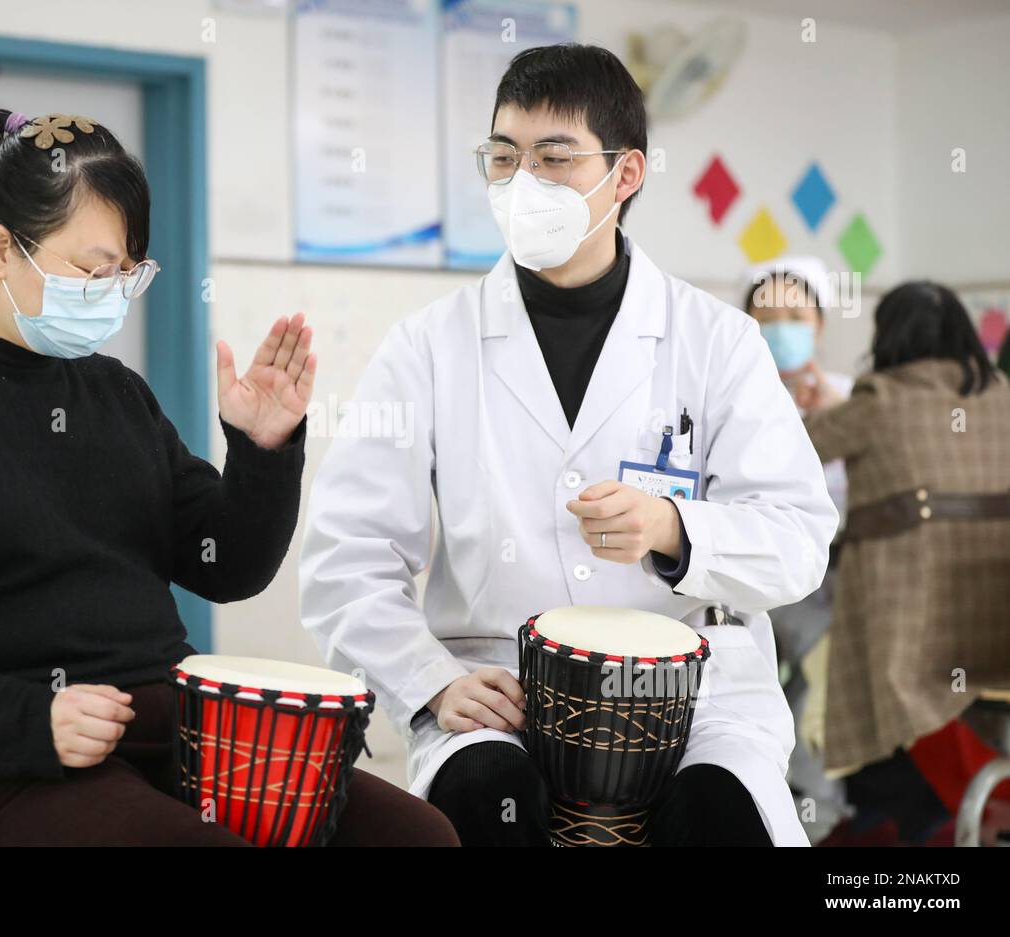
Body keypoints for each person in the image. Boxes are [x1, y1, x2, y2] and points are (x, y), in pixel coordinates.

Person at [0, 108, 457, 847]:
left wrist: (262, 448)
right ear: (0, 250)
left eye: (125, 273)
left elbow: (228, 564)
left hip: (161, 733)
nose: (109, 291)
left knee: (415, 836)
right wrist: (30, 721)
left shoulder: (113, 394)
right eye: (90, 268)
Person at [299, 44, 838, 846]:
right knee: (488, 799)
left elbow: (799, 537)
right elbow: (346, 558)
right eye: (503, 158)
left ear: (626, 175)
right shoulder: (428, 346)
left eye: (554, 159)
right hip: (496, 687)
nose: (523, 184)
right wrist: (429, 679)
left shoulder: (716, 340)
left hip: (695, 693)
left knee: (716, 818)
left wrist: (676, 530)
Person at [802, 280, 1010, 844]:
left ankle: (911, 821)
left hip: (904, 615)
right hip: (993, 625)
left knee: (829, 692)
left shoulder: (882, 399)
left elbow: (794, 448)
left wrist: (817, 403)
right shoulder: (1003, 396)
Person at [742, 258, 853, 835]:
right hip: (752, 574)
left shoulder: (852, 400)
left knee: (824, 663)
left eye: (794, 315)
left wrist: (835, 418)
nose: (779, 328)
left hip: (837, 577)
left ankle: (813, 811)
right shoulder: (731, 402)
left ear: (820, 325)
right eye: (764, 317)